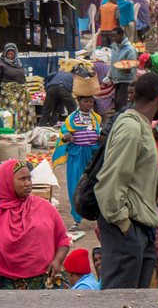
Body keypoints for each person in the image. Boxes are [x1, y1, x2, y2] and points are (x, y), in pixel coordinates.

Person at [95, 72, 158, 290]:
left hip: (141, 225)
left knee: (136, 296)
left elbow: (141, 176)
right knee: (120, 297)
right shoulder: (131, 129)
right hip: (126, 227)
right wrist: (123, 225)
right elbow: (110, 181)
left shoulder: (142, 125)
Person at [0, 160, 72, 290]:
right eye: (22, 179)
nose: (28, 183)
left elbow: (62, 239)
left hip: (47, 281)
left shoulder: (45, 207)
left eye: (29, 178)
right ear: (7, 183)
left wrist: (57, 261)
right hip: (11, 288)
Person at [52, 94, 102, 230]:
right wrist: (66, 136)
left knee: (97, 184)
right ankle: (76, 219)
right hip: (77, 155)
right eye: (86, 101)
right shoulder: (71, 118)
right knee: (76, 185)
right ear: (79, 102)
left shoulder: (96, 118)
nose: (89, 104)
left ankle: (100, 218)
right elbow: (63, 134)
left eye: (91, 102)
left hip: (93, 155)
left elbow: (99, 133)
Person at [0, 43, 31, 132]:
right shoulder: (0, 63)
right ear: (5, 53)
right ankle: (12, 131)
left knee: (21, 113)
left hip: (20, 94)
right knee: (11, 113)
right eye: (8, 54)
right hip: (8, 94)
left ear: (15, 54)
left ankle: (21, 130)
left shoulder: (18, 63)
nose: (10, 56)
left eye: (12, 54)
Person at [109, 28, 137, 111]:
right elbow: (113, 64)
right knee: (117, 103)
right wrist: (109, 75)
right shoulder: (114, 48)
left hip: (125, 80)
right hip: (117, 79)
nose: (114, 39)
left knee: (121, 102)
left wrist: (128, 70)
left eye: (115, 36)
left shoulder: (129, 49)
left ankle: (121, 119)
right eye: (112, 37)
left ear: (121, 35)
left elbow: (132, 64)